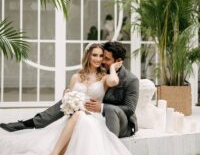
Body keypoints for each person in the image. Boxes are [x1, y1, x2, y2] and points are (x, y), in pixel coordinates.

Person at [0, 43, 168, 155]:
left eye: (102, 56)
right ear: (88, 56)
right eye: (95, 55)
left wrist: (112, 70)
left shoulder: (106, 77)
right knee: (77, 118)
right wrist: (67, 98)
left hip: (95, 118)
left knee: (80, 117)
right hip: (75, 118)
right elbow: (68, 99)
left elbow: (117, 86)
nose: (99, 59)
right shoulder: (76, 77)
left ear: (114, 61)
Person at [0, 41, 139, 138]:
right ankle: (31, 123)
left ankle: (110, 145)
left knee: (101, 111)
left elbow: (129, 109)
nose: (101, 61)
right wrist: (69, 93)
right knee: (69, 101)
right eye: (97, 56)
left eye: (105, 58)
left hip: (119, 120)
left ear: (118, 61)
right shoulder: (92, 73)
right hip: (89, 112)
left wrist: (102, 107)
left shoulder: (128, 79)